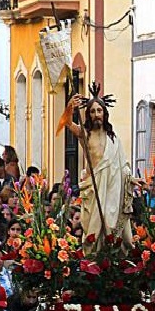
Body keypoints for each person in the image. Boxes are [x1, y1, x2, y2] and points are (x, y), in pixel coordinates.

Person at [62, 83, 137, 250]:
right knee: (93, 232)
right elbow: (67, 123)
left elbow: (122, 166)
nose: (96, 114)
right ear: (88, 114)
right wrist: (69, 108)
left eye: (99, 110)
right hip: (94, 189)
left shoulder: (113, 138)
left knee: (112, 228)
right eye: (92, 111)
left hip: (112, 190)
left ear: (105, 113)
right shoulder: (85, 134)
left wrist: (131, 179)